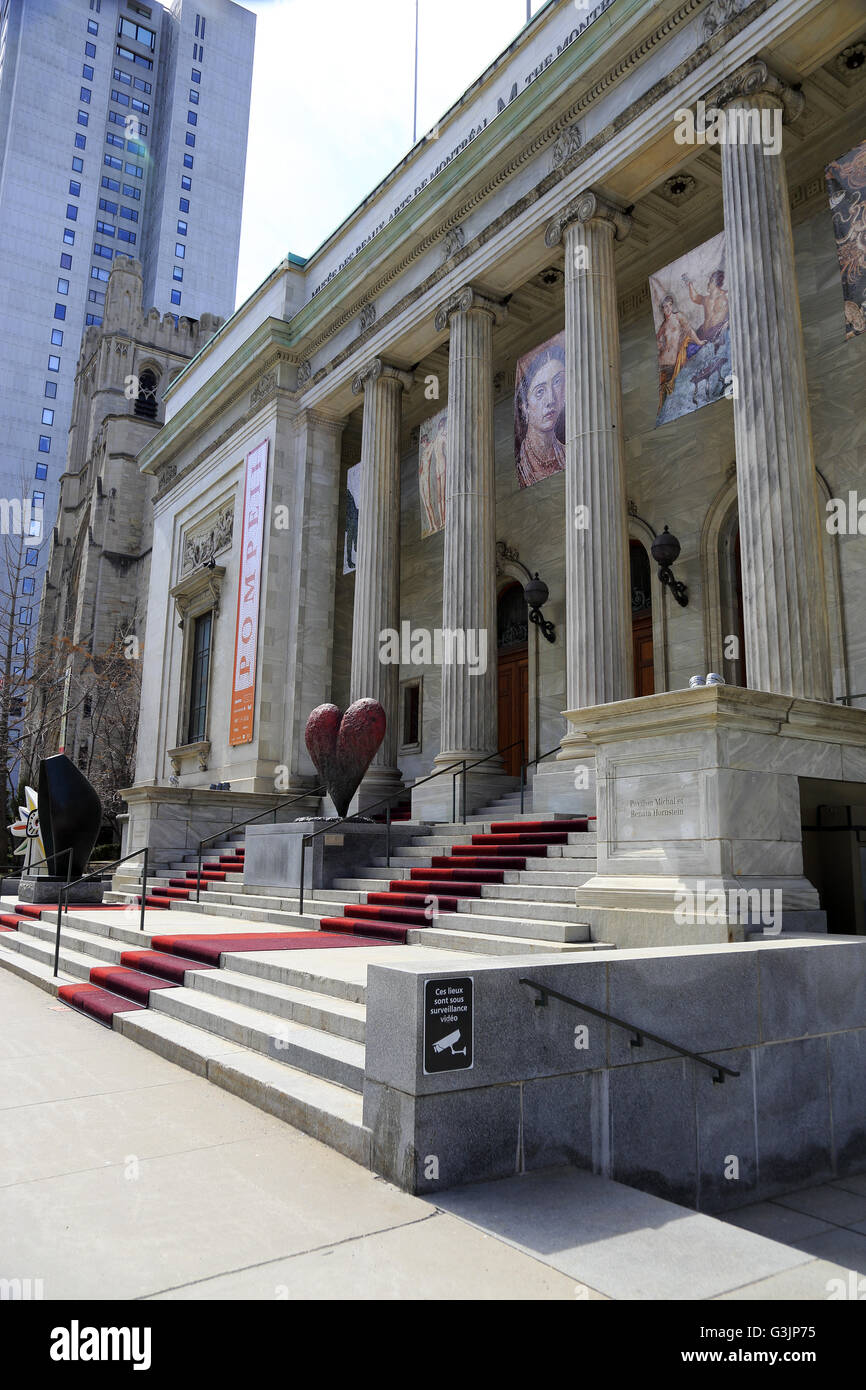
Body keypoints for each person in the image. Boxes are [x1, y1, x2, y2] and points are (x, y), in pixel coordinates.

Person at [515, 341, 566, 488]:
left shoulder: (568, 454)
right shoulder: (521, 465)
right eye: (540, 391)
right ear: (524, 406)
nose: (551, 400)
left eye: (557, 382)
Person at [656, 294, 702, 416]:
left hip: (673, 362)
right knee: (663, 398)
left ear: (672, 306)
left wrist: (699, 342)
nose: (667, 309)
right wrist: (660, 345)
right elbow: (657, 339)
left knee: (674, 397)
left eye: (669, 305)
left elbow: (689, 330)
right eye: (665, 307)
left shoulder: (678, 317)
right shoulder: (663, 325)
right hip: (663, 363)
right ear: (662, 309)